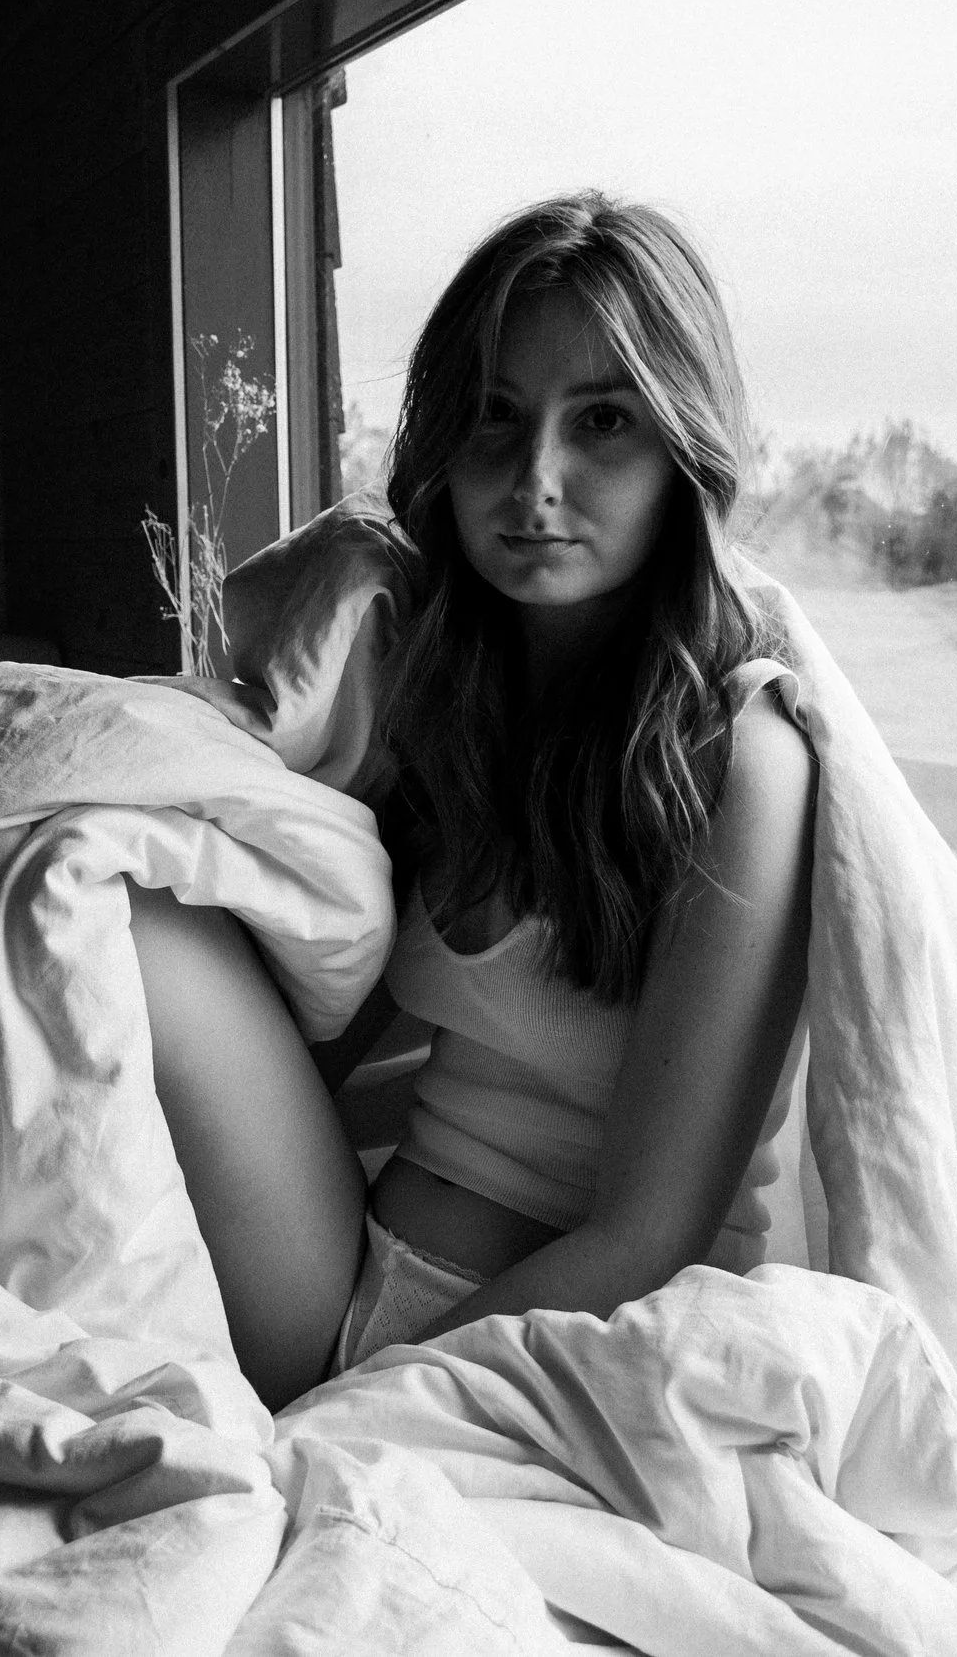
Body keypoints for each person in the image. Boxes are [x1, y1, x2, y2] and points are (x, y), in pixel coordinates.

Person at [127, 192, 816, 1408]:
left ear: (682, 449)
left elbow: (649, 1234)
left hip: (559, 1352)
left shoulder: (742, 751)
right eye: (496, 417)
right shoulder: (440, 696)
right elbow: (311, 1042)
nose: (533, 479)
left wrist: (347, 1414)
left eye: (601, 420)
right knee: (115, 899)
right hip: (349, 1276)